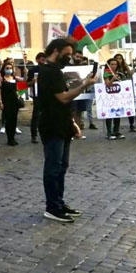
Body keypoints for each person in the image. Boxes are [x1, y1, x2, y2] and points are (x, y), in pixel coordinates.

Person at [38, 37, 96, 223]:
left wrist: (72, 123)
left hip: (63, 124)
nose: (70, 58)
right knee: (53, 167)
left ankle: (59, 202)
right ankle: (52, 207)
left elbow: (64, 103)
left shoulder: (56, 71)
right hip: (52, 125)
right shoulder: (49, 72)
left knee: (62, 167)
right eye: (67, 54)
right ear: (56, 50)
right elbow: (63, 98)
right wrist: (84, 86)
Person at [0, 58, 25, 146]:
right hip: (6, 101)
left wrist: (25, 71)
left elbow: (24, 81)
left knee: (14, 120)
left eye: (10, 68)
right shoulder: (1, 79)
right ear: (3, 69)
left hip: (14, 101)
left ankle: (13, 137)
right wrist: (1, 102)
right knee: (8, 120)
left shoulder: (14, 77)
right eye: (7, 68)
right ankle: (9, 138)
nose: (9, 69)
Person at [103, 57, 126, 140]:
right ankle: (109, 132)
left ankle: (116, 131)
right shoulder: (106, 73)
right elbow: (107, 84)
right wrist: (113, 78)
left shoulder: (119, 73)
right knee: (109, 114)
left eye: (115, 64)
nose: (114, 66)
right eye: (112, 64)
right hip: (109, 96)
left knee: (118, 113)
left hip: (117, 96)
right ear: (108, 65)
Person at [27, 52, 47, 143]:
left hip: (47, 95)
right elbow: (27, 83)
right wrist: (33, 81)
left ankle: (46, 133)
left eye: (44, 59)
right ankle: (33, 135)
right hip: (37, 95)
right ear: (37, 60)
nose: (43, 60)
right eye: (42, 59)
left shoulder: (48, 69)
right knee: (36, 115)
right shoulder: (33, 70)